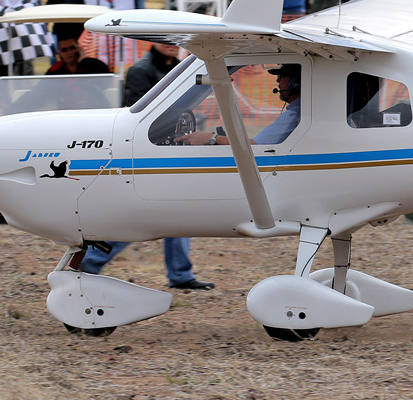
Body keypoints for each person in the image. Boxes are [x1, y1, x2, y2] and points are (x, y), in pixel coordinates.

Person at [80, 42, 213, 290]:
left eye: (176, 42)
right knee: (148, 215)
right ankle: (92, 259)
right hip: (150, 152)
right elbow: (141, 117)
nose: (173, 46)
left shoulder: (179, 69)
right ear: (153, 42)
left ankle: (180, 275)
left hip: (173, 150)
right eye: (167, 41)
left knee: (178, 212)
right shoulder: (140, 71)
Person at [180, 64, 302, 146]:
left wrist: (213, 139)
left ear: (296, 83)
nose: (277, 81)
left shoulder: (295, 116)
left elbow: (256, 146)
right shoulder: (299, 112)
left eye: (281, 77)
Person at [46, 32, 111, 76]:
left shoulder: (94, 65)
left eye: (72, 48)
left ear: (78, 48)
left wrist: (82, 61)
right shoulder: (56, 69)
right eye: (64, 50)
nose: (69, 52)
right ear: (60, 53)